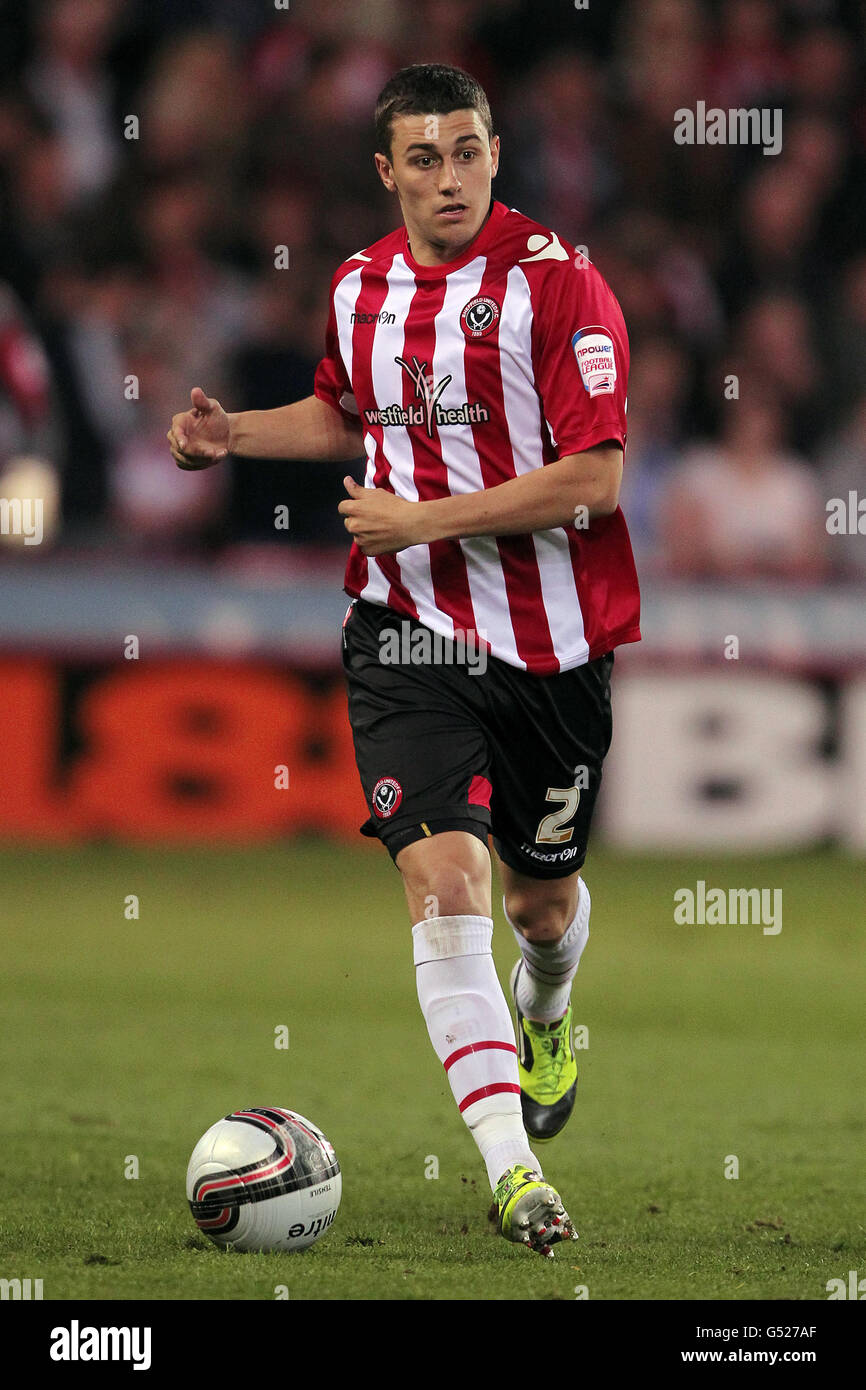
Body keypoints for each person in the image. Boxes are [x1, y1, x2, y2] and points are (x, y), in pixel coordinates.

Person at [167, 63, 640, 1258]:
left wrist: (427, 518)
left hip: (549, 649)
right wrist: (238, 438)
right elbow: (348, 414)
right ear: (386, 172)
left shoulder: (558, 285)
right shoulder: (358, 285)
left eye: (467, 151)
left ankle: (547, 1013)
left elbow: (595, 479)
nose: (447, 177)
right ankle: (512, 1171)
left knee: (540, 903)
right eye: (421, 159)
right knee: (446, 889)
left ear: (495, 154)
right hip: (402, 632)